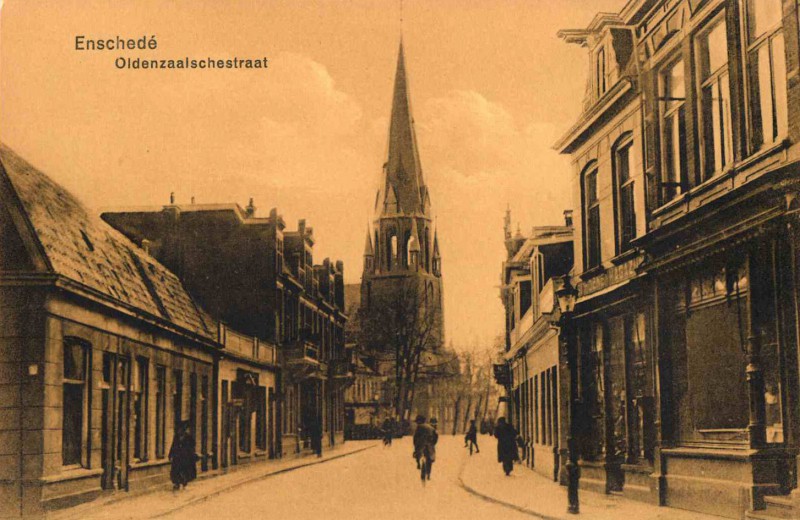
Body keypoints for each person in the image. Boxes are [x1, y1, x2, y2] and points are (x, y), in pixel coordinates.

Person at [168, 421, 197, 490]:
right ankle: (176, 483)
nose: (179, 431)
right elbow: (173, 446)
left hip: (185, 457)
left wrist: (190, 452)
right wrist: (170, 454)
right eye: (179, 429)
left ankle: (184, 483)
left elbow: (193, 445)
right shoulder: (176, 437)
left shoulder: (188, 437)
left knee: (184, 470)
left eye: (181, 429)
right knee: (175, 471)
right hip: (177, 457)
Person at [412, 415, 438, 480]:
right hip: (429, 445)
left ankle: (418, 463)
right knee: (429, 459)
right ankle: (428, 474)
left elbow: (415, 438)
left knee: (417, 453)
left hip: (421, 445)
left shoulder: (419, 427)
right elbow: (436, 437)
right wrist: (432, 444)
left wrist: (416, 445)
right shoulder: (431, 428)